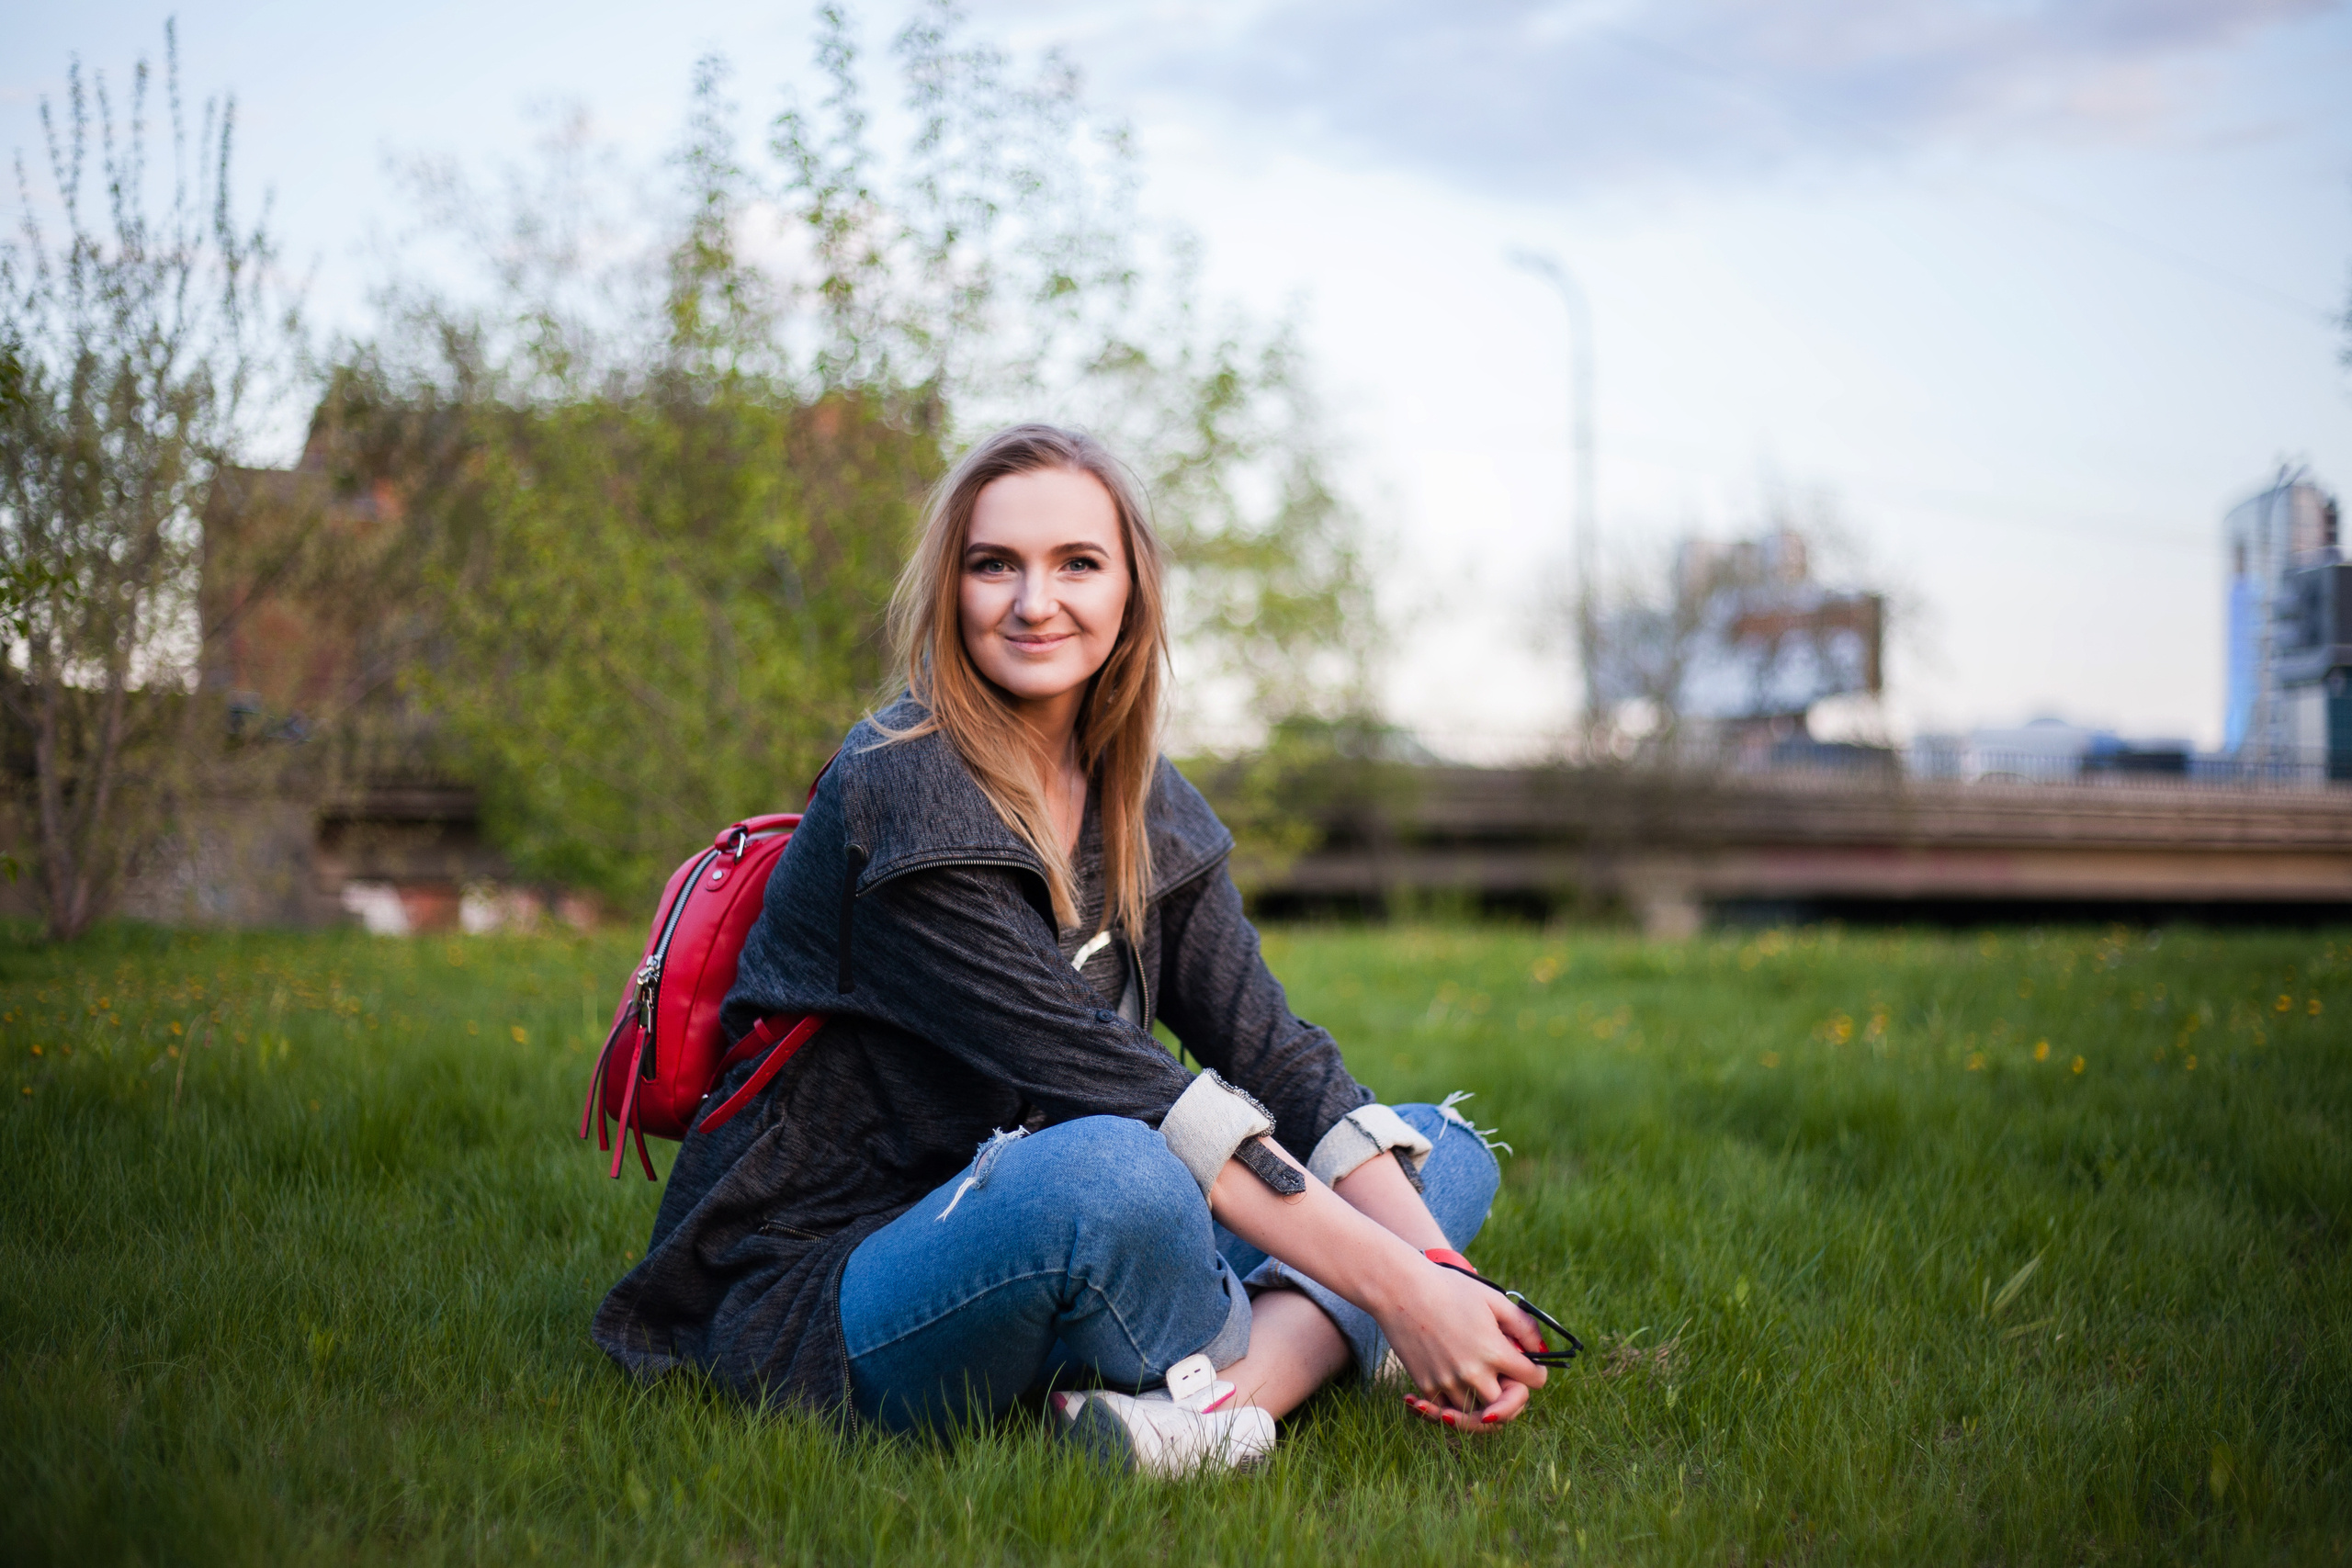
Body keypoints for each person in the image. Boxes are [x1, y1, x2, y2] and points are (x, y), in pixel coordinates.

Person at [593, 423, 1548, 1475]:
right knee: (1119, 1167)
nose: (1032, 601)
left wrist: (1438, 1272)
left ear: (1131, 589)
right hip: (830, 1278)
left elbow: (1275, 1056)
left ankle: (1201, 1423)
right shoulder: (903, 782)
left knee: (1423, 1149)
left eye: (1076, 564)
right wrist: (1398, 1289)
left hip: (1057, 1204)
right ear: (948, 589)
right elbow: (1125, 1087)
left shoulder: (1145, 800)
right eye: (992, 563)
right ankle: (1283, 1348)